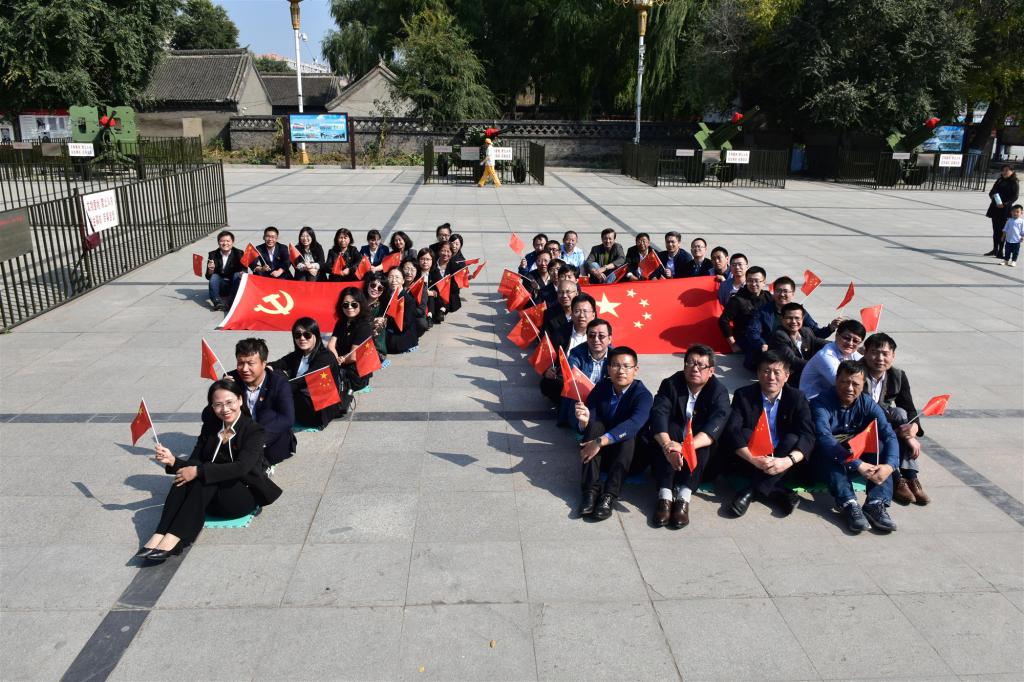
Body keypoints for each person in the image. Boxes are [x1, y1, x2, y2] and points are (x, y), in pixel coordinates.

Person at [139, 379, 280, 562]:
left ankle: (176, 537)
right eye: (218, 405)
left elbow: (242, 467)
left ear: (240, 400)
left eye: (229, 402)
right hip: (210, 501)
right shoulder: (211, 427)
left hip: (240, 497)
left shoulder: (253, 430)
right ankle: (160, 533)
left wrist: (199, 472)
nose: (225, 409)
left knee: (205, 475)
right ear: (212, 407)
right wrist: (173, 460)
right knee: (183, 478)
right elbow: (194, 462)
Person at [811, 360, 900, 534]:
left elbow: (889, 434)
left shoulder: (867, 403)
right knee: (828, 451)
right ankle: (849, 503)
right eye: (844, 382)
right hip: (826, 461)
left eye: (855, 384)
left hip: (855, 455)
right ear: (836, 380)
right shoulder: (820, 403)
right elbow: (825, 438)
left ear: (863, 384)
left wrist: (890, 466)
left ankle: (875, 503)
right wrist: (858, 464)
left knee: (881, 445)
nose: (849, 388)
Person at [723, 351, 815, 518]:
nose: (771, 377)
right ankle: (778, 492)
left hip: (783, 460)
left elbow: (808, 435)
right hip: (752, 459)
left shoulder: (797, 397)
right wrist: (754, 460)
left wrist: (787, 461)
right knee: (745, 432)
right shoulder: (743, 395)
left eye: (777, 372)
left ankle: (750, 491)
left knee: (792, 438)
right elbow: (732, 431)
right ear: (758, 373)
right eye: (766, 371)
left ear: (787, 376)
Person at [648, 344, 731, 529]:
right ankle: (665, 495)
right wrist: (669, 446)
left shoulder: (719, 392)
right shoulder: (671, 384)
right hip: (670, 451)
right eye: (691, 363)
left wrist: (686, 447)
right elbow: (658, 414)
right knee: (670, 428)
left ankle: (684, 498)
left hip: (700, 457)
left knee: (702, 442)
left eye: (701, 365)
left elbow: (715, 426)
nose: (695, 368)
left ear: (711, 371)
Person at [575, 346, 654, 520]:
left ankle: (609, 495)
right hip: (602, 456)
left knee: (628, 436)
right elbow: (592, 420)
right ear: (609, 368)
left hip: (631, 459)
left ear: (636, 370)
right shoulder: (602, 387)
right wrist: (584, 422)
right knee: (595, 426)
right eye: (616, 365)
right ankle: (590, 491)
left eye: (626, 366)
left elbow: (633, 425)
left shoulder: (643, 395)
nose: (621, 371)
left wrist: (599, 442)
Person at [863, 333, 930, 506]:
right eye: (874, 352)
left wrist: (913, 428)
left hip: (886, 420)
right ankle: (896, 477)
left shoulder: (897, 375)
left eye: (885, 354)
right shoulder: (856, 372)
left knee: (901, 413)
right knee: (892, 428)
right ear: (865, 353)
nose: (880, 358)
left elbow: (908, 406)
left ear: (893, 356)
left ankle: (910, 477)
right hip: (862, 423)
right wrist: (905, 436)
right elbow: (868, 407)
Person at [216, 338, 296, 468]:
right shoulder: (230, 380)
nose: (244, 369)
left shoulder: (279, 383)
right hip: (239, 436)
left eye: (250, 363)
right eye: (240, 363)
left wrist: (256, 439)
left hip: (269, 439)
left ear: (264, 364)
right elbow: (209, 415)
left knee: (267, 417)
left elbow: (287, 419)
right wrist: (223, 391)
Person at [745, 276, 839, 369]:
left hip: (793, 352)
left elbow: (815, 333)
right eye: (778, 291)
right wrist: (761, 344)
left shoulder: (799, 311)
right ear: (773, 292)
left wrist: (830, 328)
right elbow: (753, 332)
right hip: (771, 354)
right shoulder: (762, 311)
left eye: (785, 291)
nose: (782, 294)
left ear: (793, 293)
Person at [271, 317, 346, 428]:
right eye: (298, 335)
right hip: (300, 399)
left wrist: (278, 389)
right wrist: (266, 369)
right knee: (275, 374)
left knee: (277, 387)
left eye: (307, 335)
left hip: (316, 410)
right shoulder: (298, 355)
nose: (302, 338)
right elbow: (278, 363)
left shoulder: (326, 357)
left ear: (316, 336)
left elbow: (305, 380)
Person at [541, 292, 594, 407]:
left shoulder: (599, 333)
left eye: (585, 311)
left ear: (593, 315)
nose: (581, 315)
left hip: (591, 378)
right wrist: (547, 371)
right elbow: (547, 359)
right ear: (572, 314)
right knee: (548, 384)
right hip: (566, 379)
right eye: (577, 311)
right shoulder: (560, 334)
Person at [799, 319, 865, 400]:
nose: (850, 343)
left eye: (855, 341)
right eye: (846, 338)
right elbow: (843, 383)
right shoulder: (825, 356)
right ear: (837, 335)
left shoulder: (851, 353)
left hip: (834, 399)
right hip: (813, 401)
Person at [768, 302, 827, 387]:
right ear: (782, 319)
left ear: (802, 319)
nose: (793, 322)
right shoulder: (779, 335)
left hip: (805, 375)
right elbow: (792, 360)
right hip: (788, 381)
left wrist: (838, 345)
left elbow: (820, 342)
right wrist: (817, 367)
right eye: (789, 318)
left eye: (797, 318)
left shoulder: (806, 331)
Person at [328, 287, 375, 392]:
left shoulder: (364, 326)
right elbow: (331, 345)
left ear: (360, 305)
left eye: (354, 304)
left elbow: (354, 356)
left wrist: (339, 362)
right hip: (340, 362)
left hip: (355, 371)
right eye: (345, 305)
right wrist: (336, 359)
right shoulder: (341, 322)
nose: (349, 307)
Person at [719, 266, 772, 354]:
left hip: (765, 336)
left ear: (764, 282)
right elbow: (723, 320)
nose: (753, 284)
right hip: (746, 338)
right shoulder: (737, 300)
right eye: (750, 281)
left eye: (757, 281)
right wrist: (733, 344)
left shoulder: (768, 296)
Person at [205, 230, 244, 311]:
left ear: (232, 242)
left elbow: (244, 270)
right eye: (222, 241)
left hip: (234, 284)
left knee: (237, 274)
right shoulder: (213, 254)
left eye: (228, 241)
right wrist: (210, 270)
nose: (225, 243)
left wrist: (242, 273)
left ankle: (231, 302)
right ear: (218, 242)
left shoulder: (239, 253)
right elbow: (208, 277)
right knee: (214, 276)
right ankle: (217, 302)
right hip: (221, 286)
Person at [985, 165, 1018, 258]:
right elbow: (992, 192)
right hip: (995, 207)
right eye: (1003, 170)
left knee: (1002, 231)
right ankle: (995, 249)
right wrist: (994, 198)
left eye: (1007, 170)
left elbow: (1014, 196)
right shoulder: (1000, 180)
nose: (1004, 172)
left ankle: (1000, 251)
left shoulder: (1014, 182)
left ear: (1012, 171)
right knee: (995, 230)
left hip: (1005, 210)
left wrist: (1005, 204)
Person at [384, 267, 418, 353]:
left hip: (401, 333)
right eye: (391, 277)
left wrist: (387, 323)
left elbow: (406, 324)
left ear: (403, 280)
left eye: (397, 277)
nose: (393, 280)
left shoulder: (409, 300)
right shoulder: (385, 296)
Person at [430, 241, 461, 319]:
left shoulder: (455, 266)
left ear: (452, 253)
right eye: (443, 250)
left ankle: (442, 310)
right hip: (435, 294)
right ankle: (439, 311)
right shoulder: (432, 264)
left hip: (449, 296)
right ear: (438, 251)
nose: (445, 254)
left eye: (448, 251)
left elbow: (456, 287)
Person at [363, 273, 390, 358]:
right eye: (373, 285)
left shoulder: (383, 309)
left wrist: (373, 323)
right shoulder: (358, 302)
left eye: (380, 288)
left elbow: (377, 332)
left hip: (373, 348)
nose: (375, 289)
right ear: (368, 284)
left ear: (383, 291)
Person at [402, 258, 431, 335]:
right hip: (397, 314)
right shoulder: (397, 284)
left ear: (417, 271)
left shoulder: (421, 287)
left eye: (412, 270)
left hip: (413, 315)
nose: (409, 272)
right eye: (406, 269)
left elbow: (421, 309)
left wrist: (406, 311)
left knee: (421, 324)